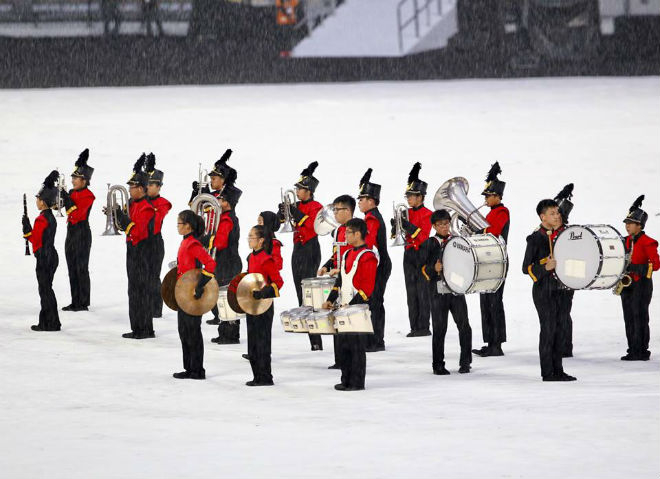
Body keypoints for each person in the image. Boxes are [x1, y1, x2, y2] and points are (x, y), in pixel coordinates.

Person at [523, 198, 576, 381]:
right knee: (548, 329)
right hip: (544, 290)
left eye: (558, 213)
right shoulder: (536, 238)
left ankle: (558, 370)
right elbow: (526, 268)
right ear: (542, 216)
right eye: (552, 213)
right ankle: (548, 372)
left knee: (561, 328)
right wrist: (545, 267)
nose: (557, 216)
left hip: (562, 290)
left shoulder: (562, 235)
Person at [323, 218, 378, 391]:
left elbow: (367, 289)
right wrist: (330, 299)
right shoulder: (347, 254)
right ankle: (345, 379)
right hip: (344, 308)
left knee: (356, 347)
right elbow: (340, 281)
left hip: (357, 309)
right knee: (344, 346)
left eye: (348, 232)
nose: (345, 235)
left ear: (358, 234)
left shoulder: (368, 256)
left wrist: (350, 307)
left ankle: (357, 382)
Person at [278, 161, 324, 351]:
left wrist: (297, 213)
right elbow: (285, 221)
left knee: (310, 292)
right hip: (298, 248)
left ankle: (316, 338)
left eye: (301, 189)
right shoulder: (296, 204)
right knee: (300, 290)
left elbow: (313, 227)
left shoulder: (316, 206)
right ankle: (309, 332)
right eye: (297, 188)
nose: (297, 191)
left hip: (310, 248)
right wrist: (282, 213)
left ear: (309, 191)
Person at [421, 209, 472, 374]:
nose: (444, 227)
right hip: (438, 292)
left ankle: (465, 362)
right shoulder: (429, 243)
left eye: (446, 223)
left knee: (464, 326)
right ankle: (438, 365)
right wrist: (432, 269)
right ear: (434, 226)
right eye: (440, 224)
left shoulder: (457, 241)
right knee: (439, 329)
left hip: (456, 290)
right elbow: (421, 269)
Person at [112, 154, 156, 339]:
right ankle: (137, 327)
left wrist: (124, 219)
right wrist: (115, 216)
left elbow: (137, 232)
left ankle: (145, 329)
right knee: (133, 290)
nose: (130, 189)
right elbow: (125, 228)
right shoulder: (132, 203)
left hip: (142, 251)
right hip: (132, 250)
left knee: (141, 289)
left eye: (133, 187)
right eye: (129, 186)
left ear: (142, 189)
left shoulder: (146, 207)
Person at [172, 210, 217, 380]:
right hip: (183, 294)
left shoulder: (193, 244)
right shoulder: (185, 242)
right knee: (184, 331)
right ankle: (189, 368)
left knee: (193, 332)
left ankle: (197, 370)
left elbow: (211, 264)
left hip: (193, 295)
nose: (177, 227)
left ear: (188, 226)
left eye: (179, 224)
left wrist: (200, 285)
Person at [473, 162, 510, 357]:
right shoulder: (490, 213)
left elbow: (492, 232)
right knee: (485, 302)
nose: (486, 199)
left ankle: (497, 344)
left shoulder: (502, 212)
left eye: (489, 196)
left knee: (494, 302)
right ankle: (490, 342)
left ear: (498, 196)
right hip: (488, 261)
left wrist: (476, 228)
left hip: (498, 261)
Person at [394, 162, 432, 337]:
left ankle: (423, 326)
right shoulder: (406, 212)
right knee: (410, 291)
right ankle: (414, 326)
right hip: (408, 253)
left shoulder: (428, 214)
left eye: (411, 195)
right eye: (408, 195)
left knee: (422, 290)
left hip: (422, 253)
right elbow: (398, 235)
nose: (408, 198)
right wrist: (396, 225)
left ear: (420, 197)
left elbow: (423, 235)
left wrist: (407, 226)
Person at [619, 195, 659, 361]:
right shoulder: (624, 241)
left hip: (641, 283)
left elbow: (655, 265)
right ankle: (632, 349)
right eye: (626, 224)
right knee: (628, 317)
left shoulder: (648, 242)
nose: (627, 227)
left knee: (639, 316)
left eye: (631, 224)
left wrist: (635, 268)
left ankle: (641, 350)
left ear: (639, 225)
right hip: (627, 284)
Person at [318, 194, 355, 369]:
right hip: (338, 278)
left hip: (351, 281)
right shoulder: (339, 230)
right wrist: (327, 266)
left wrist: (342, 270)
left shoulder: (356, 229)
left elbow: (358, 255)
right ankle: (339, 359)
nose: (335, 213)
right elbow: (336, 255)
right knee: (335, 318)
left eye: (337, 210)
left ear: (348, 211)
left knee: (348, 320)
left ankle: (349, 360)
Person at [245, 225, 284, 386]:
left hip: (264, 305)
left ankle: (266, 377)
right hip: (252, 305)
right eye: (248, 236)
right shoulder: (250, 257)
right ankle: (257, 376)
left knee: (262, 342)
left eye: (252, 237)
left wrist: (264, 293)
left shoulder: (267, 259)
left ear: (261, 240)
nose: (249, 239)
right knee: (252, 342)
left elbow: (278, 282)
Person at [23, 171, 61, 332]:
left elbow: (35, 240)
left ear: (43, 202)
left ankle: (49, 323)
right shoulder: (50, 217)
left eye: (38, 199)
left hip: (44, 257)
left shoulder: (41, 219)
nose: (37, 202)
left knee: (45, 290)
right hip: (51, 254)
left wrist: (27, 229)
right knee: (47, 289)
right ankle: (50, 321)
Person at [357, 168, 391, 352]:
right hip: (378, 264)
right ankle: (375, 339)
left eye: (362, 199)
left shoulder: (372, 219)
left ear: (371, 201)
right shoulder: (369, 217)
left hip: (379, 265)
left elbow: (367, 244)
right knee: (373, 301)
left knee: (375, 302)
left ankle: (377, 341)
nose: (359, 203)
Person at [60, 148, 95, 312]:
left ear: (85, 180)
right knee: (71, 266)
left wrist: (67, 199)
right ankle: (75, 300)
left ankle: (83, 301)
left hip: (81, 231)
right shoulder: (72, 192)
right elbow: (64, 209)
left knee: (81, 267)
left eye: (77, 177)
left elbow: (77, 214)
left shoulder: (89, 195)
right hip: (71, 231)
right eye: (73, 177)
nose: (73, 180)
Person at [210, 181, 243, 345]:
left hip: (227, 263)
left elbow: (220, 243)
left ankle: (231, 334)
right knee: (222, 298)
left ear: (228, 203)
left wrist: (207, 238)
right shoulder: (224, 217)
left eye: (221, 199)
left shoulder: (227, 220)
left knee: (227, 299)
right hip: (225, 262)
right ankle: (224, 331)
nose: (218, 202)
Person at [144, 153, 171, 319]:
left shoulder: (163, 203)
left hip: (154, 243)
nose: (147, 187)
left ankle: (155, 309)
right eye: (145, 184)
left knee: (153, 276)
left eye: (151, 184)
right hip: (140, 242)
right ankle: (144, 305)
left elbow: (154, 224)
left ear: (159, 186)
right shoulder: (139, 201)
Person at [554, 183, 575, 357]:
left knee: (563, 313)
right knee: (553, 314)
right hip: (550, 281)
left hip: (565, 280)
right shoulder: (546, 232)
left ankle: (565, 346)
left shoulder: (568, 234)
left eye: (555, 213)